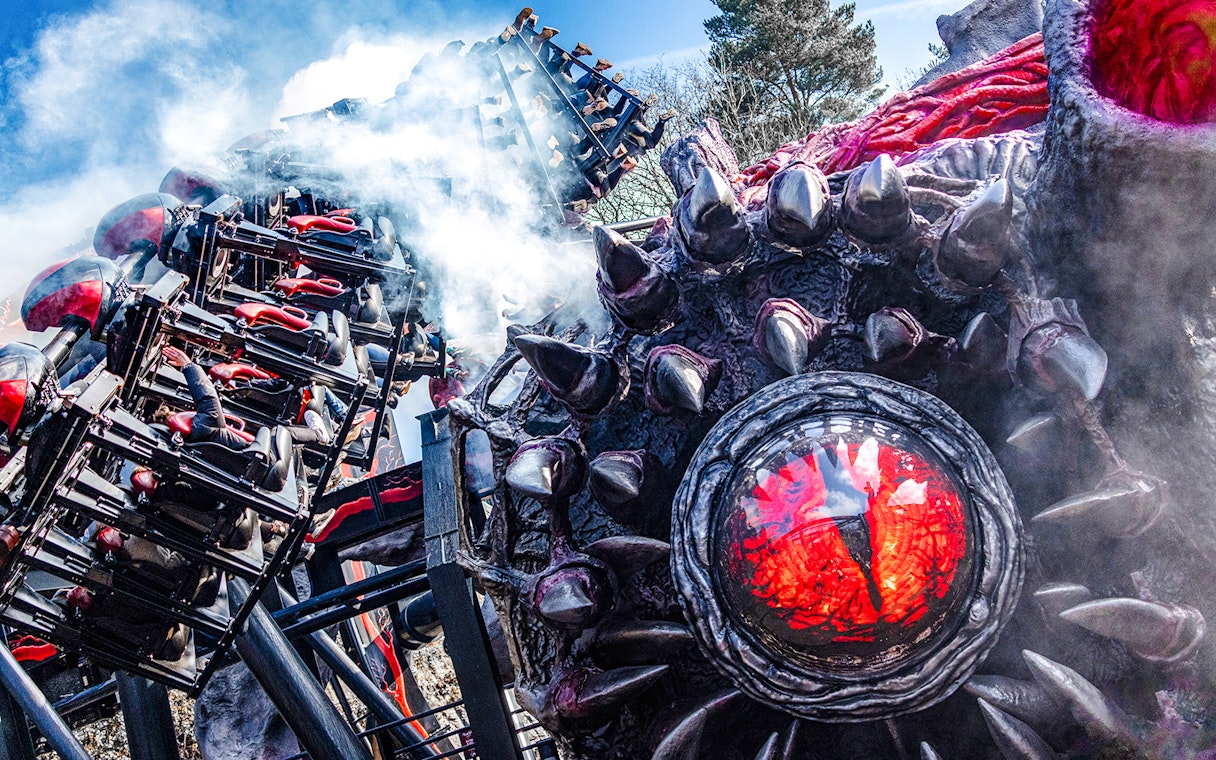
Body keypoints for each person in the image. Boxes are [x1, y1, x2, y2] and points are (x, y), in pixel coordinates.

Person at [161, 346, 331, 447]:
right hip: (261, 453)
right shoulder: (204, 426)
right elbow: (208, 398)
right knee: (279, 433)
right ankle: (317, 435)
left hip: (257, 456)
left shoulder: (196, 439)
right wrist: (189, 366)